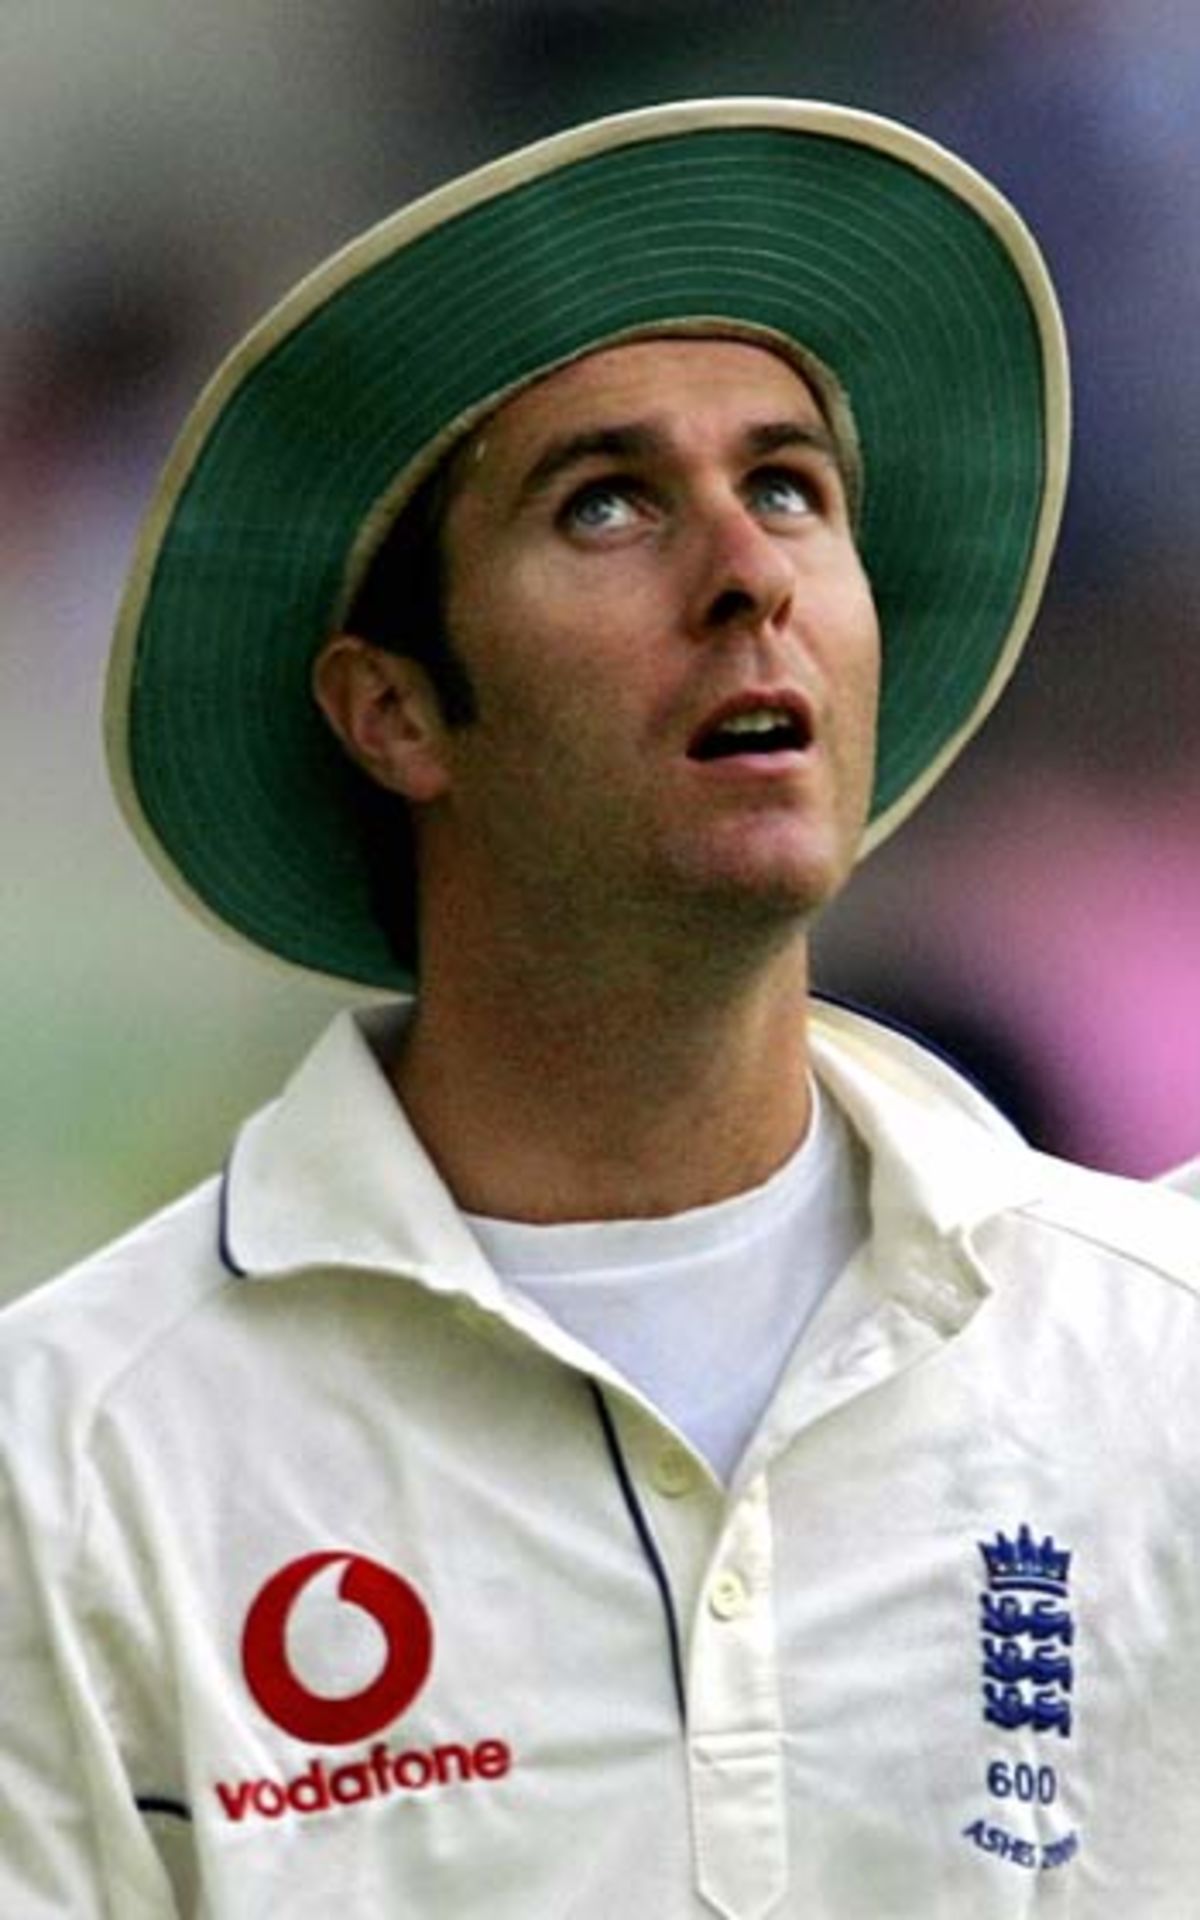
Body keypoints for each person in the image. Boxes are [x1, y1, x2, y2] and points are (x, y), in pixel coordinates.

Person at [2, 98, 1198, 1920]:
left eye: (791, 484)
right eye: (609, 501)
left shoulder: (1155, 1358)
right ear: (392, 711)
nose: (749, 576)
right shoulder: (70, 1460)